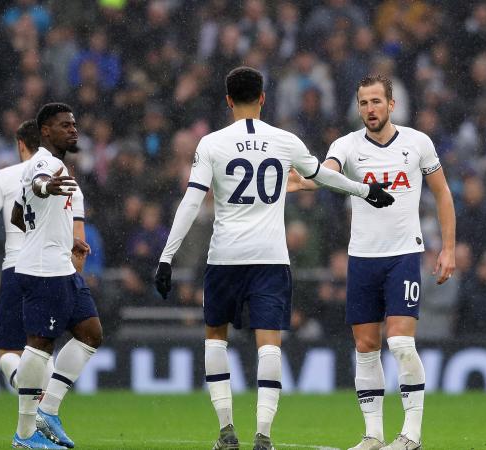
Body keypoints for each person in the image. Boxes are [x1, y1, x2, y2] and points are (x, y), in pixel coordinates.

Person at [153, 66, 394, 450]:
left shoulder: (211, 144)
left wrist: (167, 258)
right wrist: (365, 191)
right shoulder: (284, 140)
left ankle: (226, 431)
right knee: (269, 344)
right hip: (270, 257)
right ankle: (263, 434)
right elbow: (324, 177)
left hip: (225, 256)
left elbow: (191, 202)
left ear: (228, 100)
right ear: (263, 98)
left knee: (215, 339)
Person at [290, 74, 456, 450]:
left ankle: (411, 434)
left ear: (391, 105)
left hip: (403, 255)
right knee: (366, 346)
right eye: (364, 103)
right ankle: (373, 435)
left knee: (400, 341)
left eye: (376, 101)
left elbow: (443, 193)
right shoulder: (347, 145)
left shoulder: (417, 143)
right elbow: (327, 173)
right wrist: (303, 181)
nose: (370, 109)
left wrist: (448, 248)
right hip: (362, 257)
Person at [0, 120, 86, 396]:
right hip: (54, 273)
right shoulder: (66, 180)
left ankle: (26, 387)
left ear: (21, 144)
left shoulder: (5, 176)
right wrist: (74, 281)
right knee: (43, 345)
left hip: (17, 270)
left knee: (8, 351)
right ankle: (45, 401)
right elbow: (79, 242)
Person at [8, 103, 101, 449]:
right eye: (65, 125)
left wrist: (61, 237)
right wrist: (47, 188)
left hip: (59, 264)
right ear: (45, 131)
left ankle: (48, 411)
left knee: (90, 333)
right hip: (44, 270)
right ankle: (24, 433)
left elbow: (17, 215)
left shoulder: (47, 164)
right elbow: (39, 185)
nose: (73, 130)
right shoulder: (46, 164)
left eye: (74, 125)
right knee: (40, 345)